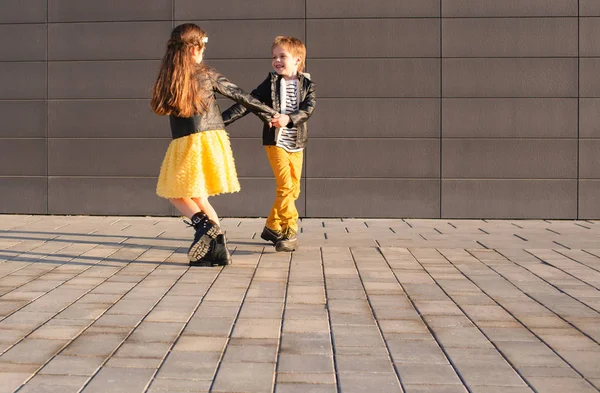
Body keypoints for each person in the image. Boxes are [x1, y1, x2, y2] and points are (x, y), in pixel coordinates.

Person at [151, 23, 278, 265]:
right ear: (193, 49)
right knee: (193, 197)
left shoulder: (169, 76)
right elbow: (241, 95)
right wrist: (269, 113)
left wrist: (268, 114)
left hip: (188, 141)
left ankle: (204, 226)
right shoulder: (204, 73)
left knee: (176, 193)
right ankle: (217, 250)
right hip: (204, 139)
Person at [222, 36, 316, 252]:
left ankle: (272, 226)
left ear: (298, 60)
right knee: (285, 187)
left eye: (283, 56)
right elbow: (248, 103)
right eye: (274, 57)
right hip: (276, 143)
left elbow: (308, 109)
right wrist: (220, 121)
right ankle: (289, 229)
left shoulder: (308, 85)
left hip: (297, 144)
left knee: (294, 190)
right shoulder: (270, 83)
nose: (277, 60)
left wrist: (288, 118)